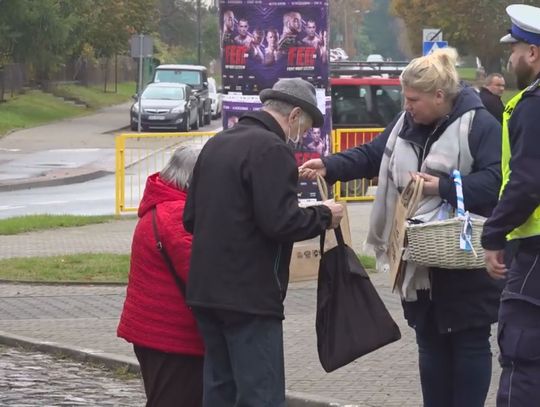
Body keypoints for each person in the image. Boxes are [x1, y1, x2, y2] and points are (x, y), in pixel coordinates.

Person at [300, 48, 503, 407]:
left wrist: (439, 187)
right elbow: (372, 155)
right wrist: (329, 166)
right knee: (428, 340)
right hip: (417, 259)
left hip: (463, 259)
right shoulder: (404, 124)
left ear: (440, 97)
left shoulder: (480, 123)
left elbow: (494, 182)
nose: (407, 106)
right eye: (405, 98)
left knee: (469, 342)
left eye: (414, 99)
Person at [183, 78, 344, 407]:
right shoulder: (272, 148)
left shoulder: (218, 142)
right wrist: (324, 215)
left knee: (219, 388)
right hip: (250, 296)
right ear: (295, 114)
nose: (302, 136)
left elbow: (190, 218)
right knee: (261, 394)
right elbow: (281, 222)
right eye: (306, 127)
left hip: (205, 292)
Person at [481, 4, 540, 405]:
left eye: (516, 48)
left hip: (534, 252)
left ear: (533, 53)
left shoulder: (532, 106)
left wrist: (493, 233)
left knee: (523, 360)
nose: (511, 58)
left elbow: (527, 183)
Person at [117, 146, 204, 407]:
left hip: (157, 334)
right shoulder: (177, 216)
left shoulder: (162, 204)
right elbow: (201, 275)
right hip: (172, 338)